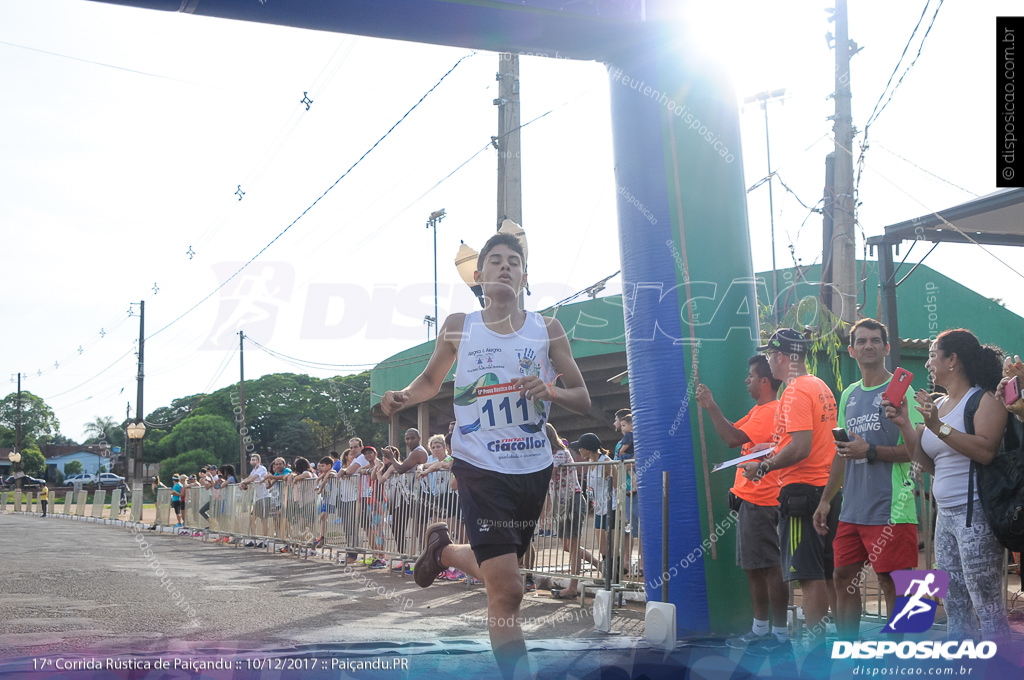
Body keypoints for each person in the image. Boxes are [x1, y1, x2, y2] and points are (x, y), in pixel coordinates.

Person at [381, 231, 591, 680]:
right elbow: (430, 381)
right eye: (495, 261)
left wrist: (550, 388)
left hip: (532, 467)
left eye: (513, 262)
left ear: (525, 276)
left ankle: (444, 552)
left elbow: (583, 398)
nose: (504, 267)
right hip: (479, 465)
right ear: (478, 276)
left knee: (507, 570)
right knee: (509, 589)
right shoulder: (460, 325)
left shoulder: (548, 329)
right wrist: (402, 395)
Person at [813, 318, 922, 640]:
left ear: (887, 348)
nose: (868, 346)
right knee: (842, 575)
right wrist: (825, 499)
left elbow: (914, 451)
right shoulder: (849, 394)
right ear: (852, 350)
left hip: (892, 507)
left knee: (894, 582)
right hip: (852, 509)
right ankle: (848, 648)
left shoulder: (902, 391)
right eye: (861, 341)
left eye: (875, 340)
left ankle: (898, 655)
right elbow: (842, 451)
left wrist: (870, 450)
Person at [904, 328, 1011, 642]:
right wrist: (904, 424)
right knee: (954, 604)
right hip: (946, 518)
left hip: (975, 513)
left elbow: (985, 451)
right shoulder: (940, 402)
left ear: (953, 360)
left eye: (933, 355)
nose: (928, 363)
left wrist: (938, 427)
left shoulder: (984, 398)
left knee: (986, 605)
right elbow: (925, 465)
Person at [742, 328, 839, 651]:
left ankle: (815, 652)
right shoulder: (819, 385)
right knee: (823, 575)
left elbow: (799, 447)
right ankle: (822, 646)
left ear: (781, 356)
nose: (769, 361)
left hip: (802, 492)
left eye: (770, 355)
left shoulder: (796, 390)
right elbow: (802, 442)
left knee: (809, 577)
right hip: (823, 490)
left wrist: (764, 467)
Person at [696, 355, 788, 651]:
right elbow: (735, 434)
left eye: (750, 376)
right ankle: (763, 630)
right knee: (756, 567)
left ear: (765, 381)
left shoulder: (769, 410)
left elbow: (732, 438)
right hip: (754, 501)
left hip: (763, 500)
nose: (746, 381)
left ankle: (776, 634)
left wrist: (710, 405)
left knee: (769, 567)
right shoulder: (760, 410)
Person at [548, 423, 600, 599]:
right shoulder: (550, 455)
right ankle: (600, 566)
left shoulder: (561, 453)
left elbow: (550, 473)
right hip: (562, 503)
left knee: (574, 544)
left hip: (574, 500)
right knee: (568, 546)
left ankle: (572, 586)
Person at [381, 429, 429, 572]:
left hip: (421, 495)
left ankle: (426, 562)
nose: (409, 441)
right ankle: (405, 558)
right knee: (397, 525)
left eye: (412, 438)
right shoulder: (413, 452)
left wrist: (391, 458)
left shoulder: (418, 452)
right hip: (409, 495)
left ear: (419, 438)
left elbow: (401, 469)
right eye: (406, 438)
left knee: (420, 530)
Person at [575, 433, 616, 578]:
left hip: (611, 508)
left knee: (610, 541)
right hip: (599, 509)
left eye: (580, 448)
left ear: (586, 449)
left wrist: (622, 510)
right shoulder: (591, 464)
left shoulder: (606, 462)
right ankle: (607, 571)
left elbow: (618, 485)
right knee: (602, 543)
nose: (578, 451)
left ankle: (614, 573)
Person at [239, 453, 271, 538]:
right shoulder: (253, 471)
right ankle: (254, 538)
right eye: (252, 460)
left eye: (255, 460)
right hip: (257, 498)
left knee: (264, 520)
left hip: (264, 497)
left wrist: (244, 483)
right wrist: (242, 483)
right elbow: (249, 478)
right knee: (252, 518)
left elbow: (252, 479)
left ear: (259, 461)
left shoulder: (262, 468)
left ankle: (265, 539)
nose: (253, 461)